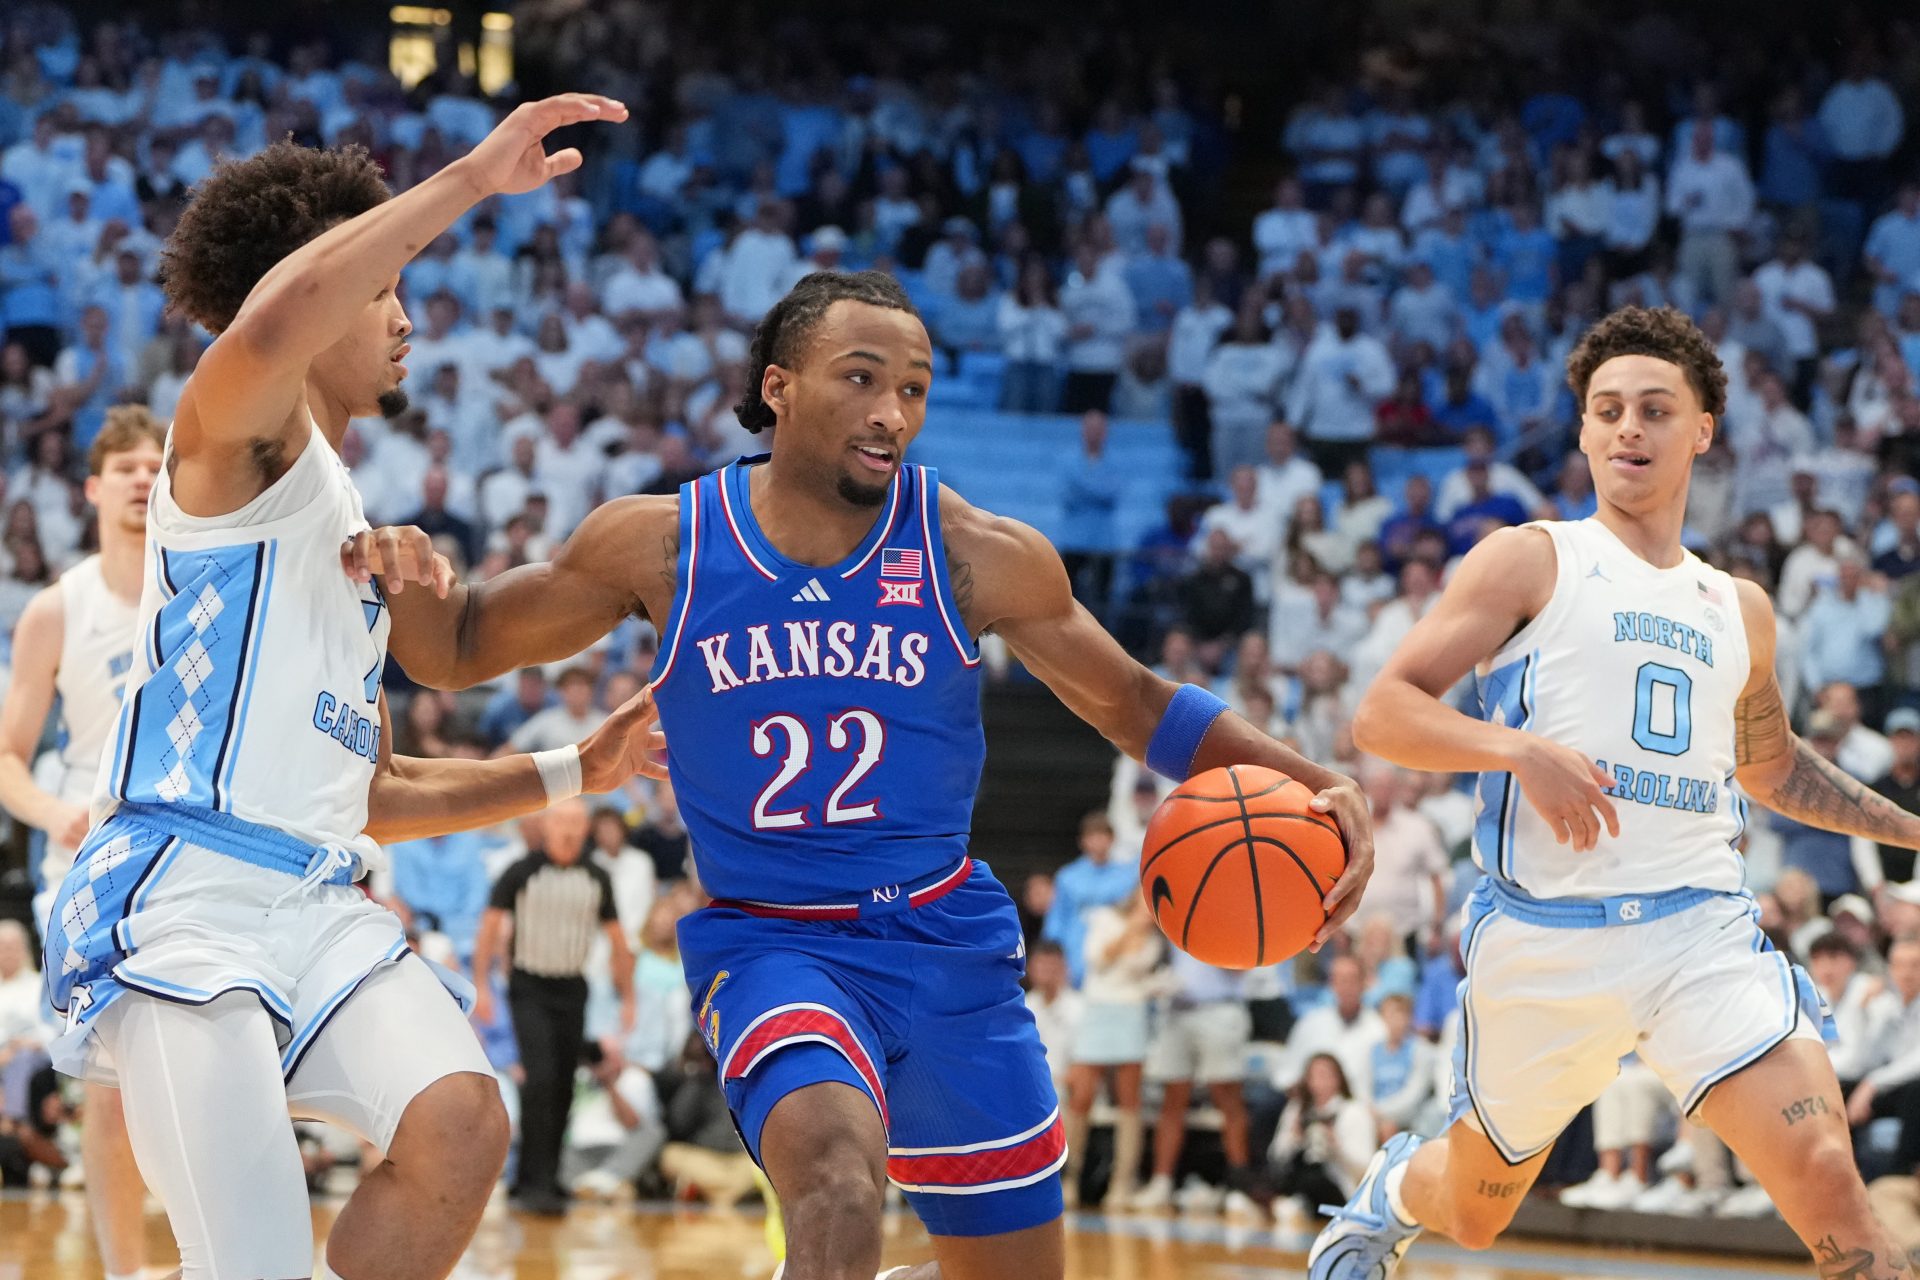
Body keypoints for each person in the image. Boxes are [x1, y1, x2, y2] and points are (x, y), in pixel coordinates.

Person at [364, 268, 1374, 1280]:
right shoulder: (665, 544)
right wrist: (392, 554)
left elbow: (1135, 702)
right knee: (840, 1183)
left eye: (915, 388)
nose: (893, 412)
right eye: (861, 378)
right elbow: (453, 650)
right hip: (771, 942)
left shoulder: (967, 548)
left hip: (943, 941)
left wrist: (1315, 778)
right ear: (779, 387)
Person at [42, 97, 665, 1280]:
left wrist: (572, 770)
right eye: (383, 289)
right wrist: (472, 181)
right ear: (324, 286)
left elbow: (369, 791)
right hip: (187, 892)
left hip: (318, 902)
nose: (407, 316)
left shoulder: (353, 526)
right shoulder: (230, 445)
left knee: (462, 1121)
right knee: (253, 1263)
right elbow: (279, 316)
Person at [1311, 305, 1920, 1279]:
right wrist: (1517, 750)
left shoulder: (1741, 607)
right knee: (1471, 1211)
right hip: (1548, 940)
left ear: (1703, 428)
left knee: (1828, 1183)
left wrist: (1912, 829)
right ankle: (1391, 1188)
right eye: (1608, 410)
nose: (1629, 427)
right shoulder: (1531, 557)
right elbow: (1381, 713)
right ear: (1585, 430)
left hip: (1702, 935)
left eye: (1654, 407)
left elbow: (1772, 767)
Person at [0, 407, 161, 1280]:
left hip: (195, 847)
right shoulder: (59, 606)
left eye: (156, 464)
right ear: (94, 487)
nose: (144, 478)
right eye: (126, 467)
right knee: (111, 1086)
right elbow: (6, 759)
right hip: (91, 858)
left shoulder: (205, 588)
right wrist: (50, 811)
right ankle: (127, 1270)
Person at [471, 797, 635, 1215]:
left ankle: (550, 1177)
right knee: (540, 1079)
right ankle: (530, 1183)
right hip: (529, 988)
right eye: (560, 820)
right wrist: (481, 987)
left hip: (572, 988)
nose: (568, 829)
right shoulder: (521, 872)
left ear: (586, 829)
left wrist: (628, 997)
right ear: (545, 826)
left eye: (576, 822)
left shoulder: (597, 877)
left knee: (563, 1084)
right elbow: (488, 929)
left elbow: (619, 942)